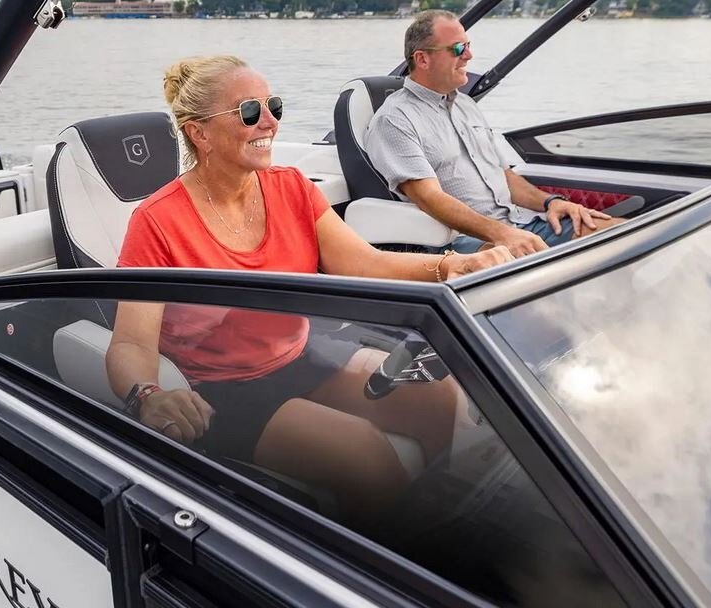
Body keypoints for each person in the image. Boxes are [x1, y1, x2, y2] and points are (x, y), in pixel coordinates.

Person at [104, 55, 512, 522]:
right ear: (200, 133)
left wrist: (454, 264)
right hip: (221, 387)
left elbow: (366, 263)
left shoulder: (292, 187)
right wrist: (148, 394)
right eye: (250, 112)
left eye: (273, 106)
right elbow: (131, 342)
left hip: (299, 353)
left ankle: (443, 519)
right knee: (364, 454)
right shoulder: (158, 221)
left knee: (437, 394)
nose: (270, 122)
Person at [364, 10, 625, 258]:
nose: (469, 55)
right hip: (464, 242)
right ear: (422, 59)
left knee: (622, 233)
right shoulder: (395, 120)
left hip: (516, 222)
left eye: (468, 45)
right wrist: (503, 234)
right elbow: (429, 198)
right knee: (606, 248)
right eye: (458, 49)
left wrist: (551, 203)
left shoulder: (466, 105)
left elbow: (504, 176)